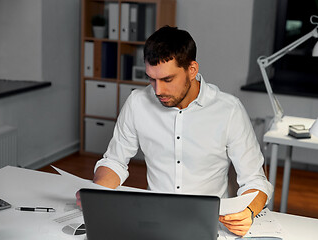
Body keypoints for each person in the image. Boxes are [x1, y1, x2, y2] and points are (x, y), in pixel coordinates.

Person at [77, 26, 273, 237]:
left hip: (209, 226)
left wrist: (249, 212)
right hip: (153, 223)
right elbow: (114, 161)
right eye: (151, 79)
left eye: (167, 80)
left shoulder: (229, 110)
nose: (158, 90)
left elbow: (255, 179)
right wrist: (96, 194)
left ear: (192, 69)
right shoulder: (137, 103)